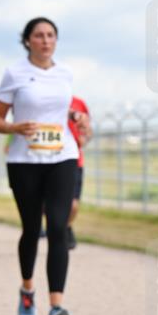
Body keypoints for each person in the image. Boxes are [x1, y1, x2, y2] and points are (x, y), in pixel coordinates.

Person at [0, 17, 79, 315]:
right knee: (31, 228)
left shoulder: (65, 72)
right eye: (39, 35)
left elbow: (59, 109)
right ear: (27, 41)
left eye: (51, 35)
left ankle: (56, 307)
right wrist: (15, 127)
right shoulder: (15, 73)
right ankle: (27, 290)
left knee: (58, 227)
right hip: (24, 159)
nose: (45, 40)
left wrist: (75, 116)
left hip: (62, 155)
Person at [66, 96, 92, 250]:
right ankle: (58, 229)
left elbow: (87, 129)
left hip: (75, 161)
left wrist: (85, 137)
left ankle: (67, 226)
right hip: (51, 161)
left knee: (73, 204)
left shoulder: (79, 103)